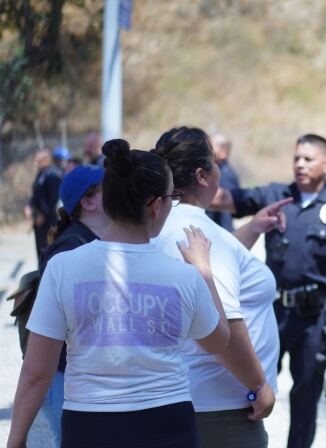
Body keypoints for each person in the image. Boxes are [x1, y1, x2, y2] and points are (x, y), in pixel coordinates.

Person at [8, 139, 232, 448]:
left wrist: (15, 440)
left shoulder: (63, 268)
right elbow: (219, 341)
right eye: (172, 198)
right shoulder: (184, 276)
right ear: (156, 205)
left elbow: (36, 372)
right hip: (169, 425)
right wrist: (205, 273)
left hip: (89, 425)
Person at [216, 133, 326, 448]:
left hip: (317, 318)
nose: (300, 165)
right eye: (296, 158)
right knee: (247, 386)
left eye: (308, 159)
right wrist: (191, 179)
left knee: (305, 399)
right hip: (272, 314)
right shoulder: (275, 195)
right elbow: (224, 199)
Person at [152, 126, 289, 448]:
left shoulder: (169, 225)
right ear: (202, 175)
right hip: (221, 410)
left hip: (192, 399)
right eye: (215, 163)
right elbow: (220, 319)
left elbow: (220, 269)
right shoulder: (193, 229)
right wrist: (258, 385)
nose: (220, 171)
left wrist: (252, 228)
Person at [26, 164, 109, 446]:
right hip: (61, 377)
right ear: (88, 201)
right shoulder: (70, 249)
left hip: (73, 377)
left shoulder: (91, 241)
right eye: (109, 187)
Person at [24, 148, 63, 258]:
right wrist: (29, 205)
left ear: (47, 159)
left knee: (48, 252)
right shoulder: (40, 174)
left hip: (49, 221)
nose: (36, 163)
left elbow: (53, 200)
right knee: (40, 252)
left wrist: (43, 215)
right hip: (38, 221)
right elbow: (36, 195)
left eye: (38, 160)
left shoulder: (53, 175)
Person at [206, 133, 241, 231]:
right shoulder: (216, 172)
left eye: (211, 147)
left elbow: (225, 212)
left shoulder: (226, 175)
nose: (206, 150)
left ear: (223, 152)